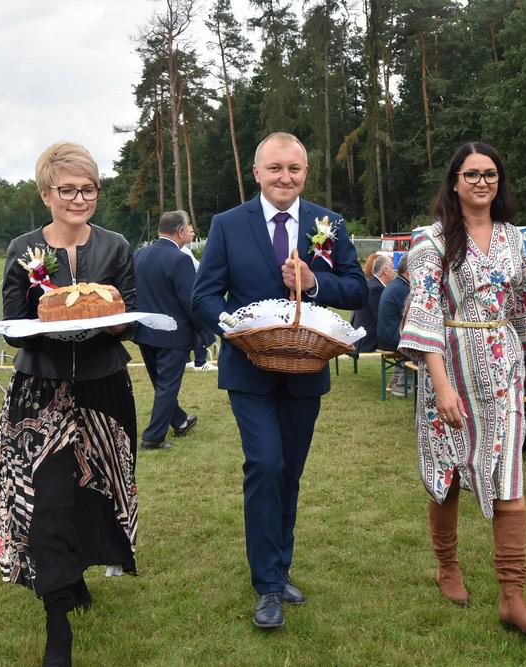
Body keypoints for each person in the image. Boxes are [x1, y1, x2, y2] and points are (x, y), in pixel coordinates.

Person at [191, 132, 367, 630]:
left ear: (304, 173)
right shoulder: (228, 225)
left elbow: (357, 288)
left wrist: (316, 284)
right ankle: (267, 585)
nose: (285, 177)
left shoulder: (327, 223)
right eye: (275, 169)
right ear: (257, 172)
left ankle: (280, 566)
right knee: (264, 465)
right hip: (248, 371)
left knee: (289, 471)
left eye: (294, 169)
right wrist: (238, 329)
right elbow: (204, 296)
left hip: (306, 371)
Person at [0, 141, 139, 666]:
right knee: (47, 498)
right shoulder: (23, 247)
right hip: (41, 390)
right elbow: (13, 328)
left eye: (88, 188)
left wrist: (113, 320)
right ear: (46, 193)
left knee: (90, 495)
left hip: (103, 388)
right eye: (68, 189)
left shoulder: (116, 246)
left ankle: (74, 576)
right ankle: (57, 621)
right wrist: (55, 323)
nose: (79, 198)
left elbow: (130, 312)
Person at [398, 141, 526, 637]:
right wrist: (441, 386)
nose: (482, 182)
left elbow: (523, 299)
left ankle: (513, 595)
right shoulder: (431, 241)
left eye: (490, 174)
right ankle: (448, 565)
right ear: (455, 181)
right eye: (472, 174)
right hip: (449, 370)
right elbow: (423, 312)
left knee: (508, 476)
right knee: (449, 474)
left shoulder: (511, 238)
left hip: (501, 371)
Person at [132, 210, 210, 450]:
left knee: (161, 383)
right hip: (173, 333)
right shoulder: (180, 259)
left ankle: (180, 420)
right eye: (188, 227)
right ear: (179, 231)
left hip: (144, 330)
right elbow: (190, 301)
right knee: (167, 386)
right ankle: (153, 437)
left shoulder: (139, 254)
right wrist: (205, 334)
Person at [178, 229, 218, 372]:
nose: (193, 234)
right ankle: (200, 362)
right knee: (198, 323)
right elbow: (199, 268)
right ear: (181, 232)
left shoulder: (181, 250)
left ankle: (187, 360)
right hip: (190, 292)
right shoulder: (183, 252)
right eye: (190, 231)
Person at [377, 253, 411, 395]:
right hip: (392, 338)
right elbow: (410, 317)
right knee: (420, 345)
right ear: (409, 272)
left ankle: (396, 380)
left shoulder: (396, 285)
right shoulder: (402, 289)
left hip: (385, 336)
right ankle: (402, 386)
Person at [350, 253, 394, 354]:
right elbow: (380, 317)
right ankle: (402, 369)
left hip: (361, 336)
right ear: (385, 271)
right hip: (367, 339)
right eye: (392, 268)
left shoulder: (372, 284)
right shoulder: (375, 288)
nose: (394, 271)